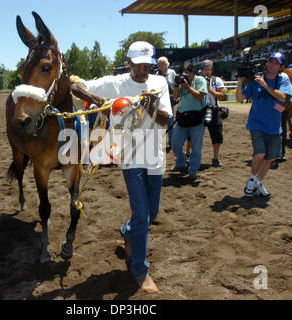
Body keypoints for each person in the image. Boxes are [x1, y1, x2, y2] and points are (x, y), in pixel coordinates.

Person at [71, 41, 172, 294]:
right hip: (131, 158)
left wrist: (152, 108)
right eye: (137, 65)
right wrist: (97, 100)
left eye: (147, 65)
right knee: (142, 214)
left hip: (156, 156)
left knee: (152, 213)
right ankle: (139, 269)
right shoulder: (115, 82)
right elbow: (75, 86)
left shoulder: (159, 84)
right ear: (128, 63)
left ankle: (127, 231)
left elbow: (166, 119)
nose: (143, 70)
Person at [236, 52, 292, 198]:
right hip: (256, 124)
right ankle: (251, 183)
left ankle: (257, 183)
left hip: (274, 126)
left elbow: (282, 96)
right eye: (271, 62)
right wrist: (240, 81)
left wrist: (265, 85)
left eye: (276, 63)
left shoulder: (283, 79)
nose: (272, 65)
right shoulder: (256, 80)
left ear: (281, 67)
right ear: (267, 63)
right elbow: (240, 98)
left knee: (269, 159)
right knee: (260, 154)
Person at [171, 62, 208, 180]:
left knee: (196, 147)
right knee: (175, 144)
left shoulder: (200, 80)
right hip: (182, 117)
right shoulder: (181, 82)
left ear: (193, 73)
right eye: (183, 74)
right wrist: (177, 85)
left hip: (197, 117)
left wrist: (187, 87)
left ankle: (193, 170)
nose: (184, 76)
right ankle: (181, 162)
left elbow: (200, 96)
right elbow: (176, 97)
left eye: (187, 73)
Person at [201, 60, 226, 167]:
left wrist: (209, 90)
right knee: (193, 134)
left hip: (214, 109)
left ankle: (215, 158)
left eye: (209, 69)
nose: (207, 71)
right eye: (205, 69)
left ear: (212, 70)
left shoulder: (217, 80)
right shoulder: (198, 80)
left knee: (217, 135)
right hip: (200, 109)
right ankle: (189, 155)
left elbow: (221, 96)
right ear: (201, 70)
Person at [156, 56, 177, 146]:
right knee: (159, 121)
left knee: (170, 120)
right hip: (161, 99)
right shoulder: (157, 74)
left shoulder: (172, 72)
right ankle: (158, 142)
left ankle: (172, 141)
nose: (160, 66)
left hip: (171, 98)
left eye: (162, 64)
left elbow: (176, 84)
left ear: (166, 64)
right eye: (159, 64)